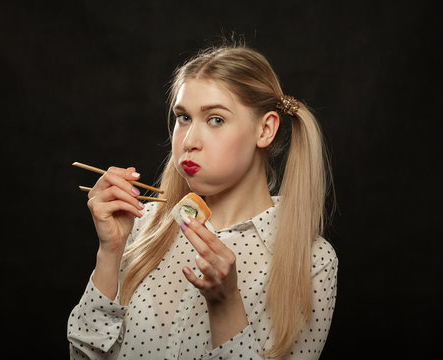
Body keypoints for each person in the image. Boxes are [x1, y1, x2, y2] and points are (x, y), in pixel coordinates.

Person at [67, 43, 338, 359]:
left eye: (216, 120)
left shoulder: (312, 260)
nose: (189, 142)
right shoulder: (141, 223)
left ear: (265, 129)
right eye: (183, 118)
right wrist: (109, 253)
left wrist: (225, 305)